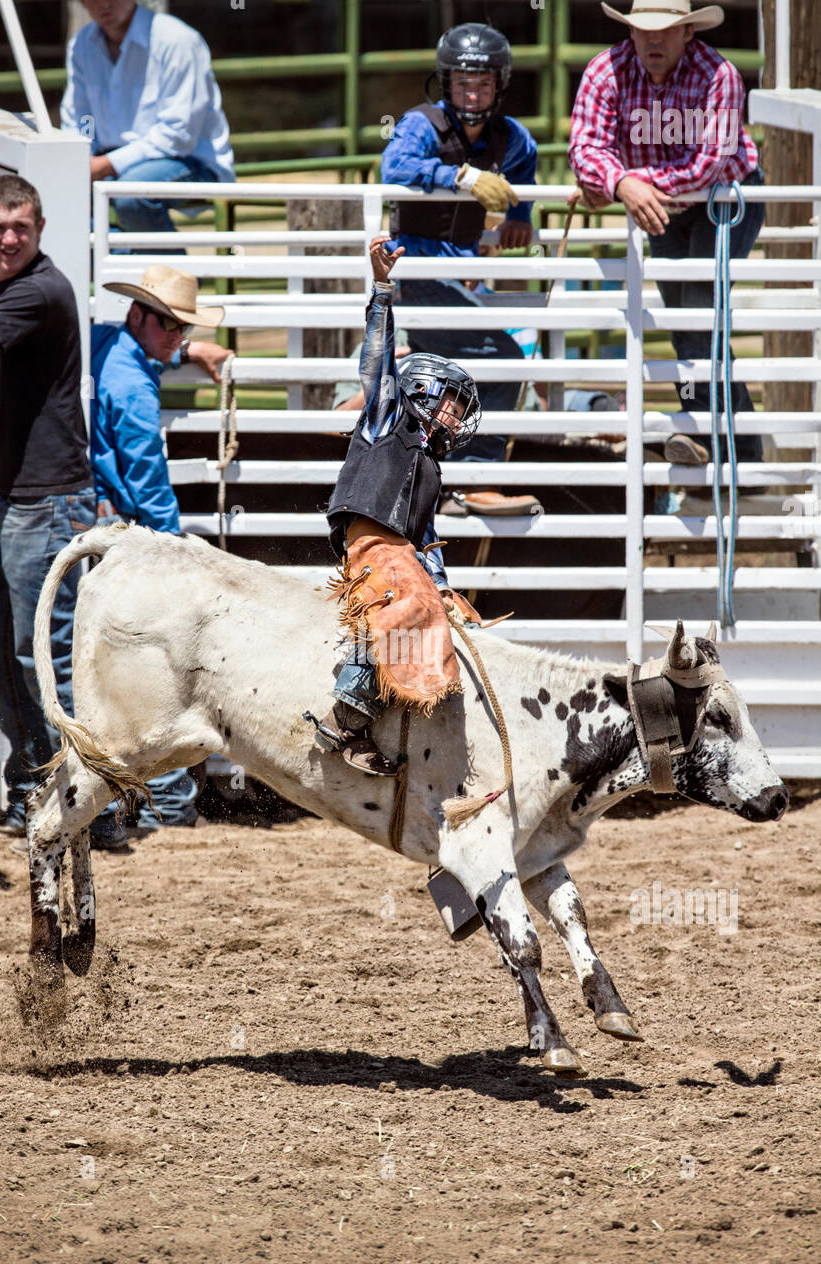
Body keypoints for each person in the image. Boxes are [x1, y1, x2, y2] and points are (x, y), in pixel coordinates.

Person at [0, 175, 109, 842]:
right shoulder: (10, 288)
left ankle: (80, 796)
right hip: (8, 496)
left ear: (38, 230)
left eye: (20, 228)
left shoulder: (38, 288)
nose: (8, 238)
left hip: (46, 499)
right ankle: (37, 782)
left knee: (41, 654)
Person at [306, 234, 482, 777]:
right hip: (370, 536)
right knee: (405, 599)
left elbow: (427, 539)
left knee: (436, 602)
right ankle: (346, 718)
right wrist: (383, 291)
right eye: (450, 405)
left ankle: (393, 710)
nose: (455, 417)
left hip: (400, 547)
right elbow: (376, 362)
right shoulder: (388, 417)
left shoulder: (431, 466)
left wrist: (445, 585)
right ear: (424, 393)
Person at [568, 0, 765, 465]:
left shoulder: (719, 75)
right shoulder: (605, 70)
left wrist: (626, 184)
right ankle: (732, 450)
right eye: (644, 30)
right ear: (631, 32)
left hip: (723, 197)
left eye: (665, 30)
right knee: (687, 320)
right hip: (665, 204)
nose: (653, 40)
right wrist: (619, 182)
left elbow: (710, 163)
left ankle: (712, 439)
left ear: (688, 33)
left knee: (696, 309)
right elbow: (585, 146)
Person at [91, 264, 231, 825]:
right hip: (130, 532)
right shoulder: (134, 390)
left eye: (182, 327)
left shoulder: (109, 346)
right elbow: (147, 476)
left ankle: (154, 799)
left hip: (99, 517)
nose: (174, 336)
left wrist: (190, 350)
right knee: (153, 666)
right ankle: (168, 800)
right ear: (139, 315)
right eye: (168, 325)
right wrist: (175, 550)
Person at [381, 22, 541, 496]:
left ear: (499, 85)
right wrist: (463, 177)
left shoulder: (509, 137)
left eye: (484, 83)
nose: (473, 94)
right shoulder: (421, 124)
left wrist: (521, 215)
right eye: (463, 83)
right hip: (418, 272)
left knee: (454, 373)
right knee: (505, 359)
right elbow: (396, 165)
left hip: (457, 277)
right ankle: (472, 474)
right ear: (446, 83)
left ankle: (444, 477)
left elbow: (526, 167)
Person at [60, 0, 234, 237]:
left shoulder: (177, 40)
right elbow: (83, 118)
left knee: (132, 194)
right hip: (113, 163)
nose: (104, 3)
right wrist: (85, 154)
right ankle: (135, 262)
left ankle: (164, 269)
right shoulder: (81, 45)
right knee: (54, 193)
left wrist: (103, 165)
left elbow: (178, 135)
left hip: (191, 161)